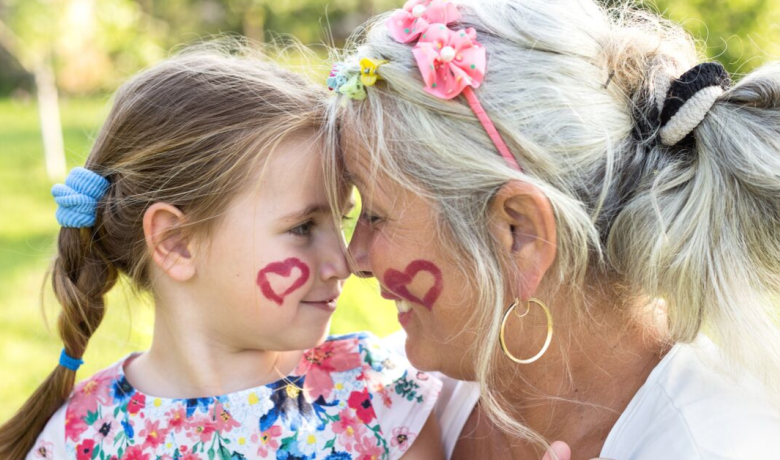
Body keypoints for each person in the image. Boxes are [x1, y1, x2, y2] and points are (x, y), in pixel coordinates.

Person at [324, 0, 780, 458]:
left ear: (519, 234)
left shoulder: (715, 445)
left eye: (376, 214)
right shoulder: (392, 401)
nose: (353, 257)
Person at [0, 46, 443, 460]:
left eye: (340, 221)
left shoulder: (376, 396)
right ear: (176, 241)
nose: (344, 262)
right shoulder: (80, 437)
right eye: (302, 227)